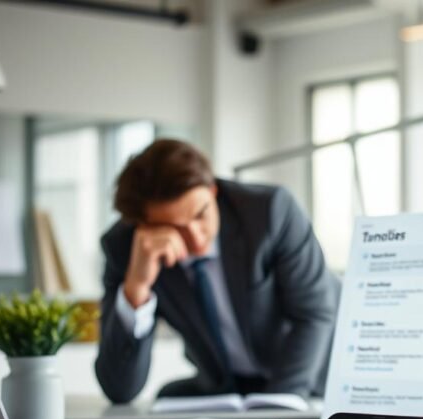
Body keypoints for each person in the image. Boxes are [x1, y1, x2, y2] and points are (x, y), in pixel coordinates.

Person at [95, 139, 340, 404]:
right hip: (225, 390)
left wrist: (277, 407)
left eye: (200, 215)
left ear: (213, 191)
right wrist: (137, 289)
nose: (196, 238)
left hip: (310, 380)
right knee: (167, 400)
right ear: (143, 226)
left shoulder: (270, 212)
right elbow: (119, 390)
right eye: (175, 228)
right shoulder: (123, 248)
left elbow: (314, 314)